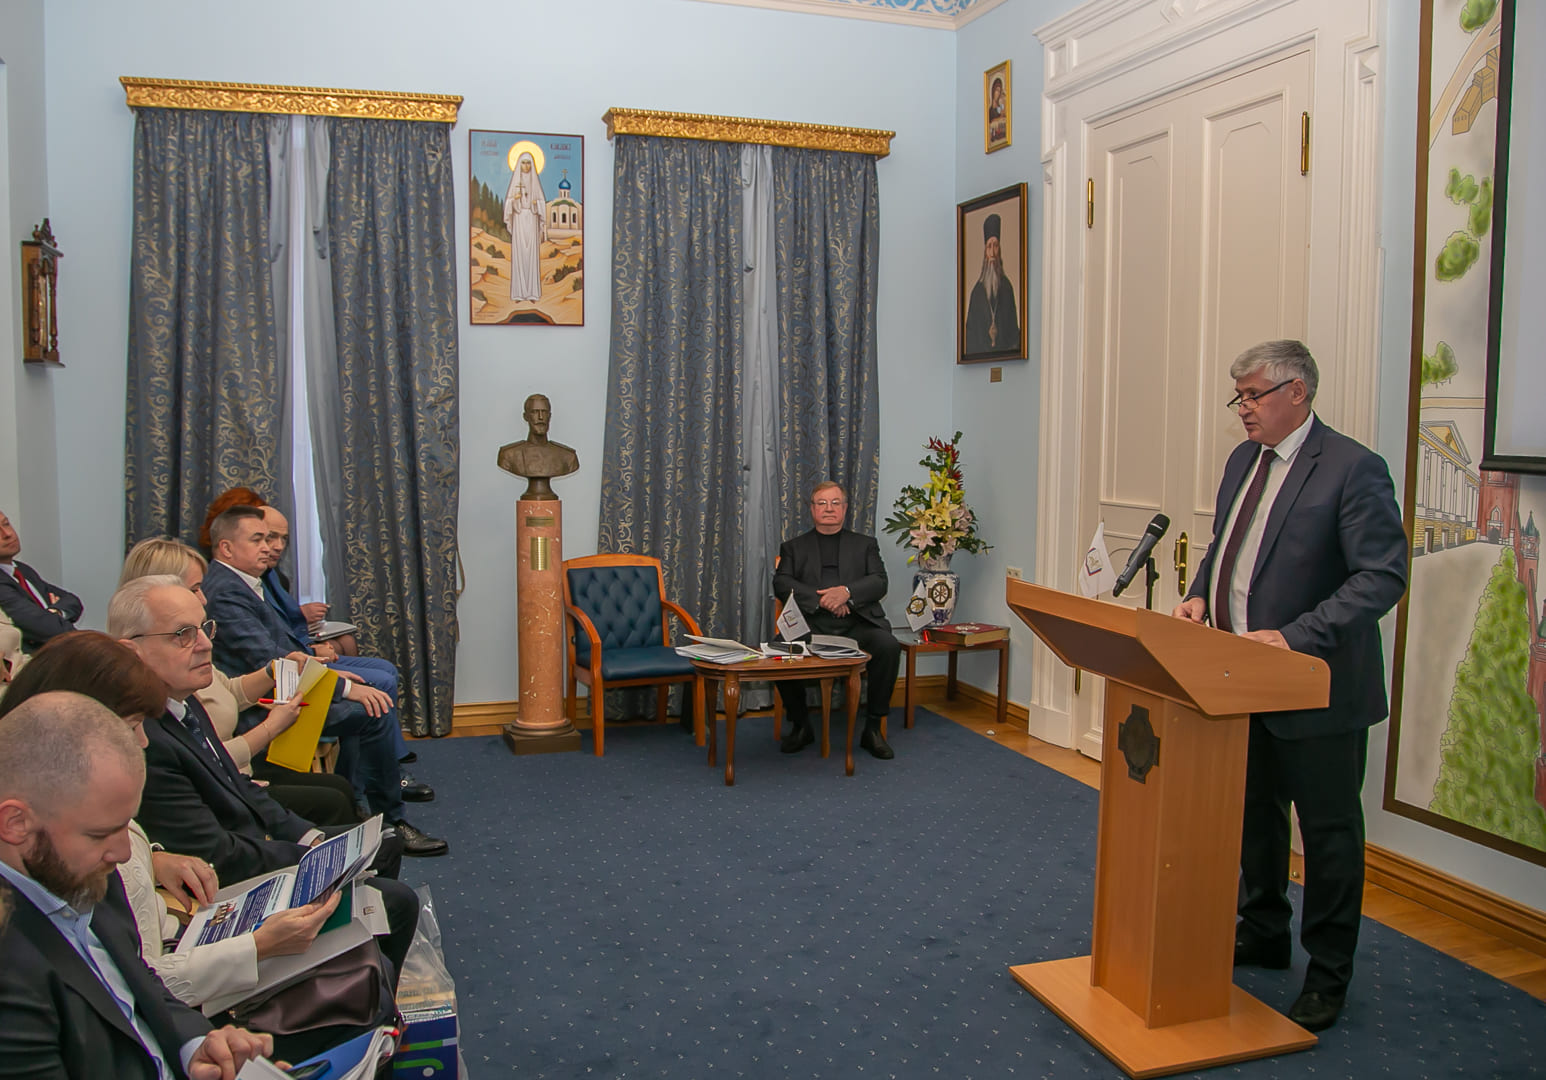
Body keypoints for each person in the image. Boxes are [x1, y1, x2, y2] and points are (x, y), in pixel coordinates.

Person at [1172, 339, 1407, 1033]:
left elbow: (1381, 576)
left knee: (1328, 836)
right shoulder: (1243, 460)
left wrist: (1295, 636)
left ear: (1296, 392)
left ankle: (1328, 975)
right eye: (1239, 396)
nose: (1242, 409)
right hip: (1241, 680)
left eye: (1253, 395)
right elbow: (1226, 547)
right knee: (1256, 815)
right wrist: (1199, 594)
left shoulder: (1353, 468)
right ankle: (1265, 930)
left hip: (1317, 687)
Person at [0, 640, 349, 1059]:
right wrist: (257, 946)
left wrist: (193, 1047)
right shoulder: (35, 938)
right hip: (196, 966)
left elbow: (136, 979)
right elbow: (138, 985)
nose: (143, 741)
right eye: (132, 726)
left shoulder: (84, 858)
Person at [106, 576, 422, 981]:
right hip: (225, 886)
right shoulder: (144, 736)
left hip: (249, 844)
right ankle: (358, 987)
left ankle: (361, 974)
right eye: (183, 635)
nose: (204, 644)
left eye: (204, 628)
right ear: (132, 650)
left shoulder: (182, 701)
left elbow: (238, 785)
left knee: (383, 843)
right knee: (397, 899)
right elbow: (217, 854)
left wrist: (311, 839)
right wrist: (312, 861)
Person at [0, 691, 274, 1079]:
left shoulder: (79, 870)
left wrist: (193, 1045)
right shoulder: (10, 969)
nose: (123, 853)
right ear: (15, 824)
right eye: (100, 833)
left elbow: (135, 980)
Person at [198, 508, 444, 851]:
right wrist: (339, 684)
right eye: (257, 539)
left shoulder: (243, 581)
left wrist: (326, 672)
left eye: (271, 539)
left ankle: (361, 804)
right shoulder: (226, 591)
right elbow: (266, 660)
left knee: (368, 700)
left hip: (287, 686)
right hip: (268, 704)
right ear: (226, 548)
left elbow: (279, 651)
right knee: (372, 710)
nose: (268, 547)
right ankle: (390, 822)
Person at [120, 539, 362, 826]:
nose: (204, 598)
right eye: (194, 589)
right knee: (333, 799)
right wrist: (273, 726)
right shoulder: (165, 686)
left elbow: (228, 691)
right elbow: (203, 760)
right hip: (227, 779)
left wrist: (274, 670)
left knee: (339, 790)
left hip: (235, 774)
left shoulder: (185, 668)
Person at [773, 481, 901, 760]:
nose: (828, 509)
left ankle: (873, 728)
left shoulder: (866, 545)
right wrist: (823, 600)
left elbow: (879, 581)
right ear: (812, 509)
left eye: (835, 503)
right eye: (822, 503)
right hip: (812, 624)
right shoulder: (793, 547)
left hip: (858, 623)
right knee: (780, 651)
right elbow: (781, 583)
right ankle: (801, 725)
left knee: (889, 646)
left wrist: (847, 594)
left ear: (844, 508)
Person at [0, 508, 83, 652]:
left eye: (6, 524)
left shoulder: (22, 570)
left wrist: (55, 612)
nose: (7, 534)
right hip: (38, 660)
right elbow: (46, 628)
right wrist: (52, 618)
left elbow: (73, 601)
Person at [497, 393, 580, 500]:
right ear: (526, 417)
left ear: (549, 416)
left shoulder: (568, 456)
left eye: (544, 412)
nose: (540, 417)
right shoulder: (508, 454)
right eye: (535, 412)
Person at [963, 214, 1019, 355]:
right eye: (989, 246)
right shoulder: (977, 293)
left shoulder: (1007, 288)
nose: (993, 252)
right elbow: (970, 338)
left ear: (999, 249)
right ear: (985, 252)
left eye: (996, 246)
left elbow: (1014, 334)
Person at [504, 150, 547, 303]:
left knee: (531, 256)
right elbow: (508, 204)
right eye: (523, 163)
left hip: (532, 219)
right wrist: (514, 200)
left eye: (529, 163)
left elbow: (542, 202)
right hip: (519, 219)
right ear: (519, 165)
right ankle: (519, 293)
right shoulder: (516, 181)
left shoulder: (535, 182)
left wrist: (536, 205)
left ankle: (532, 293)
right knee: (520, 255)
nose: (526, 166)